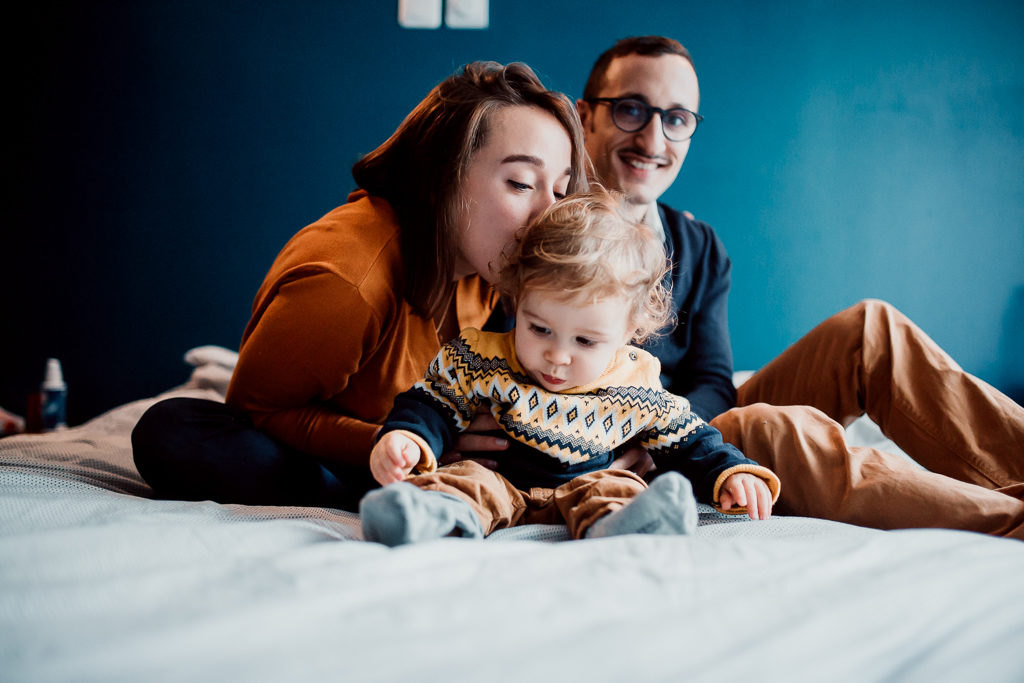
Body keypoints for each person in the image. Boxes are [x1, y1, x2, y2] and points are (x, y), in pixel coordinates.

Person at [570, 35, 1024, 538]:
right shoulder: (543, 235)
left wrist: (659, 426)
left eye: (676, 119)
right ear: (585, 115)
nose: (653, 141)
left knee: (870, 330)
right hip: (607, 445)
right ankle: (1011, 523)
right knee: (768, 426)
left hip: (681, 429)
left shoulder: (698, 245)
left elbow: (715, 380)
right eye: (631, 110)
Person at [130, 61, 589, 511]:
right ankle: (367, 491)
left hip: (428, 432)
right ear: (441, 177)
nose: (549, 213)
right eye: (522, 183)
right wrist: (397, 444)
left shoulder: (495, 263)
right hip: (342, 448)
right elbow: (258, 412)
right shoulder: (348, 282)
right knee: (170, 430)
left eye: (560, 191)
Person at [358, 189, 780, 546]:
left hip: (589, 484)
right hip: (501, 482)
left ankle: (632, 526)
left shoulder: (635, 383)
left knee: (621, 489)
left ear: (628, 331)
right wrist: (407, 438)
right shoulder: (481, 358)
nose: (557, 356)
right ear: (517, 301)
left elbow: (690, 440)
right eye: (539, 328)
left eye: (585, 341)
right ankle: (421, 517)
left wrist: (728, 474)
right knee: (464, 482)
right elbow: (431, 401)